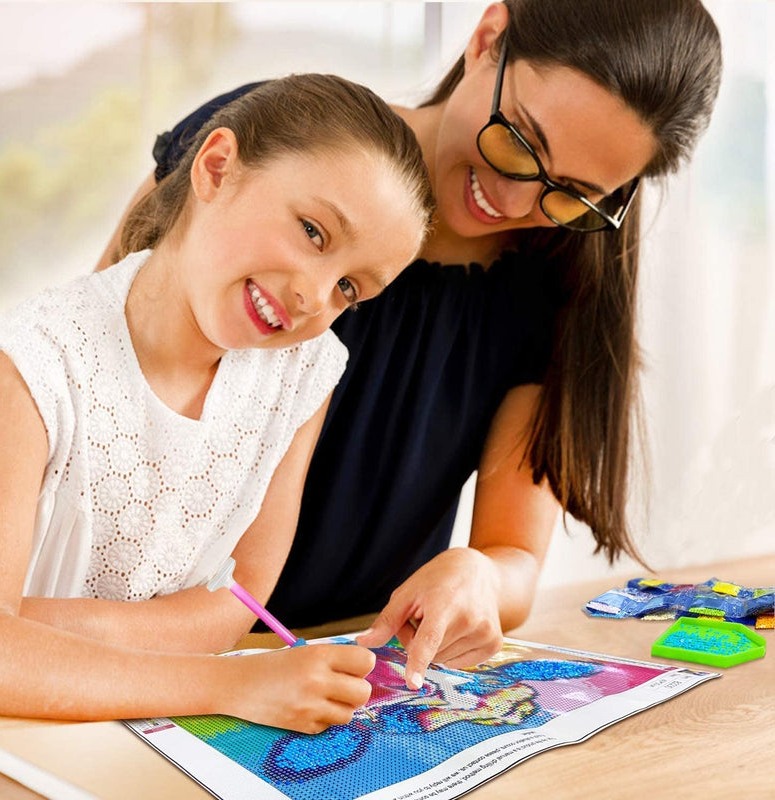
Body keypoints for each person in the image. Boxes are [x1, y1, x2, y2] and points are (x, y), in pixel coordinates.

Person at [94, 0, 722, 693]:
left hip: (343, 684)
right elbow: (81, 372)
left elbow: (510, 554)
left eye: (572, 194)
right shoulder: (279, 145)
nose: (513, 200)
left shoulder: (549, 283)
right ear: (488, 38)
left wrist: (480, 574)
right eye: (518, 140)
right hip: (133, 650)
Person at [0, 74, 435, 732]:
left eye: (350, 290)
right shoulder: (24, 370)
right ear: (217, 168)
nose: (314, 297)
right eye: (312, 231)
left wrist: (33, 629)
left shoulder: (303, 373)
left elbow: (236, 600)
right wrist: (224, 679)